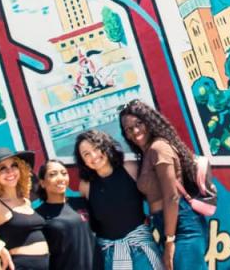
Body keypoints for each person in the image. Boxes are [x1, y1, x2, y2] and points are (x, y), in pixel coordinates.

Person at [119, 100, 208, 270]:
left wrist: (169, 240)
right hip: (169, 225)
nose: (135, 131)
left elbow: (171, 196)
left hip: (182, 226)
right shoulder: (147, 153)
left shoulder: (158, 148)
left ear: (149, 121)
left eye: (139, 123)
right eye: (129, 129)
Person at [75, 129, 162, 269]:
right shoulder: (85, 186)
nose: (93, 156)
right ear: (83, 161)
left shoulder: (130, 168)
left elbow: (155, 198)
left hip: (141, 248)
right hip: (110, 255)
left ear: (106, 146)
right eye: (86, 154)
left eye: (96, 148)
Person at [35, 159, 96, 270]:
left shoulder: (81, 203)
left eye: (64, 173)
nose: (60, 178)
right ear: (42, 183)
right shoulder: (38, 216)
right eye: (53, 174)